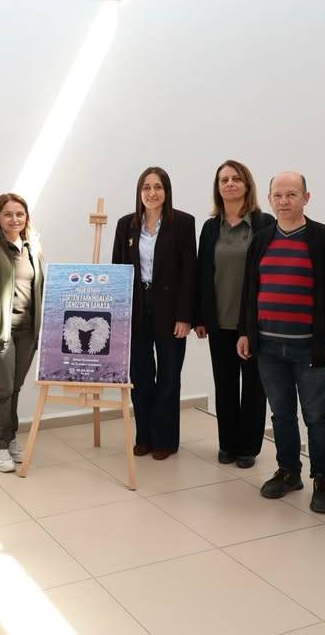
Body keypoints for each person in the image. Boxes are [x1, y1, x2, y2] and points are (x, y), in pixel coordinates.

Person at [236, 172, 325, 514]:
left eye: (291, 194)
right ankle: (289, 471)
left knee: (316, 416)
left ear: (306, 198)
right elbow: (249, 291)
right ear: (270, 198)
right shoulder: (261, 240)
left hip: (309, 349)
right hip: (268, 347)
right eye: (278, 195)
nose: (284, 201)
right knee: (282, 414)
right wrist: (245, 332)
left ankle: (324, 478)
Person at [112, 167, 197, 460]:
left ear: (166, 191)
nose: (152, 192)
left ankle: (165, 440)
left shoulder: (183, 223)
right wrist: (119, 317)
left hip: (171, 310)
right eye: (146, 187)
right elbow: (118, 270)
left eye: (158, 187)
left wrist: (185, 316)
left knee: (169, 376)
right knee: (141, 374)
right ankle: (144, 437)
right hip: (136, 307)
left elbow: (189, 273)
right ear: (139, 192)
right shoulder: (126, 225)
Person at [194, 160, 274, 468]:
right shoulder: (210, 227)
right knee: (225, 385)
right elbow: (203, 273)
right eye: (224, 180)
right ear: (217, 188)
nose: (229, 184)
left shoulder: (264, 223)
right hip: (219, 320)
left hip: (253, 323)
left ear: (247, 185)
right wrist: (201, 317)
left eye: (235, 179)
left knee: (254, 387)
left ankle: (248, 447)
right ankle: (227, 443)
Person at [0, 193, 45, 473]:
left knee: (14, 388)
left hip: (28, 331)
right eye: (8, 214)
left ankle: (11, 437)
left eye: (20, 214)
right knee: (2, 389)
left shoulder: (32, 245)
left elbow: (39, 287)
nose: (14, 219)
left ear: (26, 217)